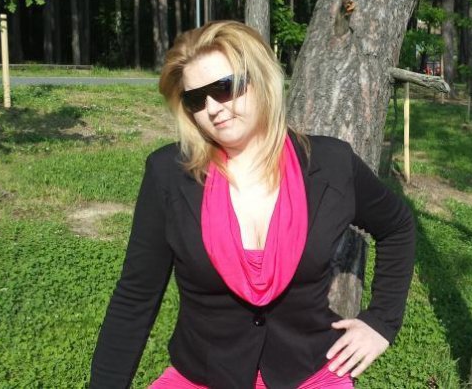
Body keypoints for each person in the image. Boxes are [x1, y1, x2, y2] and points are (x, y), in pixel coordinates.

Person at [89, 20, 416, 389]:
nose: (213, 109)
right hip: (202, 375)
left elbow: (398, 225)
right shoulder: (169, 175)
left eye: (225, 88)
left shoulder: (331, 164)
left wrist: (382, 322)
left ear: (261, 79)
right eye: (196, 99)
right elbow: (135, 296)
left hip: (310, 372)